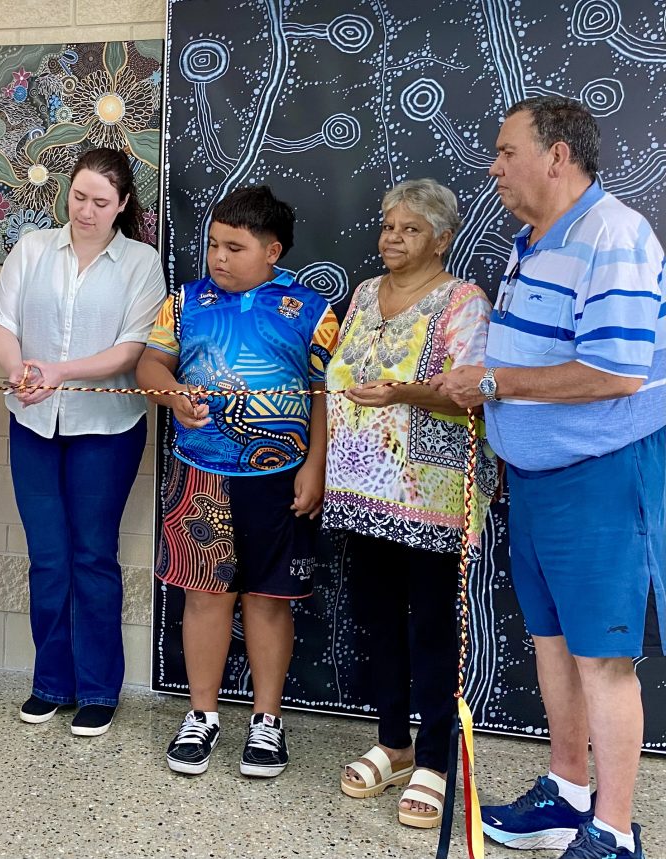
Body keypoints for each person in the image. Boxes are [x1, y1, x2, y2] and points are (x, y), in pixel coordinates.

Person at [433, 96, 665, 859]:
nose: (493, 167)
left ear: (557, 156)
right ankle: (567, 794)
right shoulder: (530, 240)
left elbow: (617, 373)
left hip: (599, 475)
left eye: (505, 151)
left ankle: (614, 829)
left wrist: (494, 385)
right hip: (534, 477)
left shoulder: (615, 235)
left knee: (600, 654)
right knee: (553, 641)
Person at [137, 185, 338, 776]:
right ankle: (202, 714)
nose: (218, 258)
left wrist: (314, 463)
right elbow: (151, 363)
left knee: (269, 600)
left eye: (235, 247)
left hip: (280, 478)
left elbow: (326, 394)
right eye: (212, 246)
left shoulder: (310, 310)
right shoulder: (186, 301)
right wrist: (172, 396)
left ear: (272, 250)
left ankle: (267, 721)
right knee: (204, 596)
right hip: (200, 472)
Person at [323, 179, 496, 828]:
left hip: (432, 491)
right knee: (376, 618)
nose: (392, 237)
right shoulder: (366, 293)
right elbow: (336, 377)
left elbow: (468, 394)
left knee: (429, 626)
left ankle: (434, 758)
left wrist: (403, 395)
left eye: (410, 228)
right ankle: (392, 740)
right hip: (361, 487)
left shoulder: (463, 301)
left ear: (442, 239)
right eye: (388, 225)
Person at [0, 147, 166, 737]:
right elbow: (3, 327)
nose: (86, 210)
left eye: (101, 202)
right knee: (47, 557)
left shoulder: (141, 262)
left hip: (106, 431)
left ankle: (97, 690)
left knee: (92, 556)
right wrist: (18, 371)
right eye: (79, 196)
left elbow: (131, 350)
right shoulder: (32, 248)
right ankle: (50, 682)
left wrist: (60, 371)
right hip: (32, 423)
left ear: (121, 206)